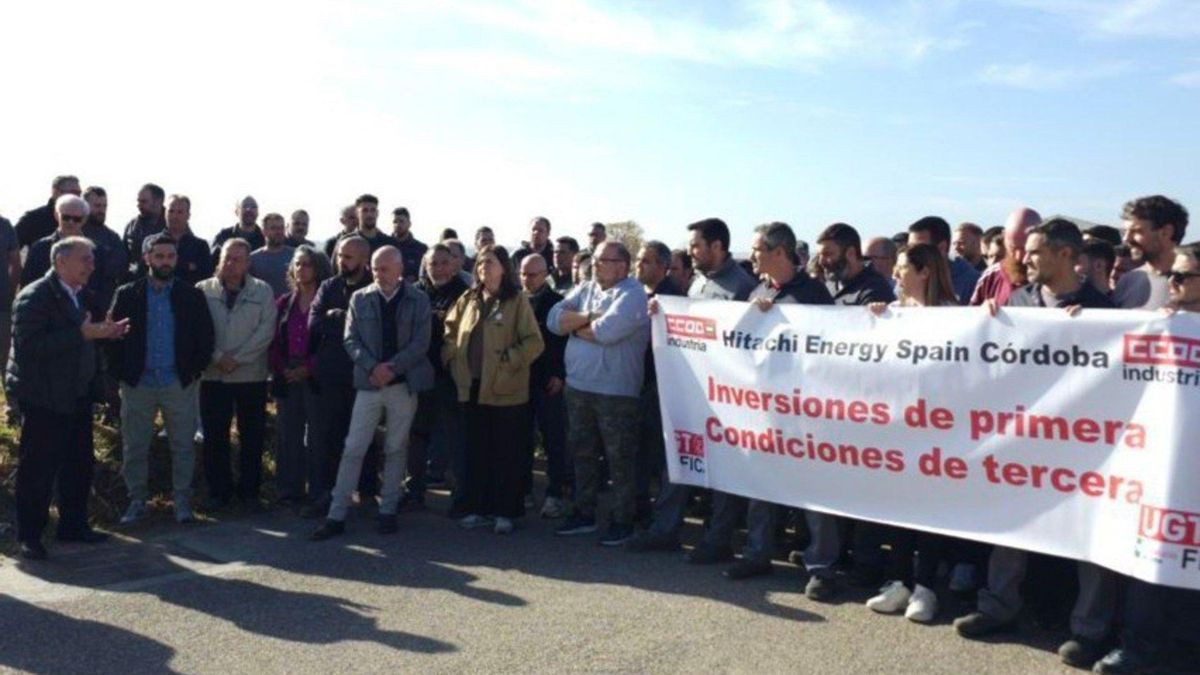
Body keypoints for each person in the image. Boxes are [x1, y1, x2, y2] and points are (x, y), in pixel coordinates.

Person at [954, 219, 1117, 670]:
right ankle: (998, 606)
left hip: (1083, 445)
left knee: (1090, 533)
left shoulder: (1102, 310)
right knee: (1010, 520)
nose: (1024, 259)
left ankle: (1089, 630)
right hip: (1022, 440)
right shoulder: (1016, 303)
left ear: (1067, 255)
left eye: (1036, 251)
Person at [1095, 238, 1200, 674]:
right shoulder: (1157, 326)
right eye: (1170, 274)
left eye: (1182, 276)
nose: (1170, 282)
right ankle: (1137, 646)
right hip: (1161, 466)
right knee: (1153, 554)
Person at [626, 219, 755, 558]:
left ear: (717, 247)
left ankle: (718, 538)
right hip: (692, 390)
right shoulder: (696, 284)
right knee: (681, 459)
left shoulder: (742, 287)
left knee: (724, 470)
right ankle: (665, 529)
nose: (692, 252)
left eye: (697, 246)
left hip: (726, 396)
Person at [726, 223, 837, 588]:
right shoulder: (758, 290)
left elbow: (834, 348)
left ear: (778, 251)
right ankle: (758, 553)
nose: (752, 254)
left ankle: (821, 567)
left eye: (758, 249)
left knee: (815, 491)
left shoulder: (813, 293)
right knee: (761, 482)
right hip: (764, 406)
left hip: (807, 411)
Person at [9, 230, 130, 560]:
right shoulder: (35, 297)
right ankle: (29, 536)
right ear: (60, 261)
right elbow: (30, 348)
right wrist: (81, 333)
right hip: (45, 398)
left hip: (77, 395)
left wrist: (107, 333)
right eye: (85, 259)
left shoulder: (82, 295)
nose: (92, 265)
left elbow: (85, 339)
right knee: (38, 470)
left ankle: (73, 525)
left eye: (92, 259)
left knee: (79, 465)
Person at [862, 243, 957, 622]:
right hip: (899, 427)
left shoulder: (955, 316)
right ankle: (898, 581)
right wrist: (875, 319)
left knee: (929, 511)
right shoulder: (895, 314)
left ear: (925, 272)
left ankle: (926, 588)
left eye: (903, 268)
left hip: (938, 429)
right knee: (899, 506)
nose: (896, 274)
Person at [311, 246, 434, 539]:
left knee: (395, 448)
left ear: (399, 269)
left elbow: (421, 342)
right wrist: (372, 367)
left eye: (385, 269)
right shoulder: (360, 298)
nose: (379, 274)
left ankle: (388, 510)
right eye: (376, 268)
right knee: (353, 447)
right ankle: (336, 514)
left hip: (402, 384)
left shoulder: (418, 300)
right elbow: (350, 339)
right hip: (368, 383)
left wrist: (392, 367)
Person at [108, 232, 214, 525]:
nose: (165, 262)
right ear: (147, 258)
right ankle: (137, 500)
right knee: (135, 446)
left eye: (170, 256)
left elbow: (205, 338)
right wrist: (122, 374)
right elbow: (112, 338)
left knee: (182, 445)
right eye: (159, 256)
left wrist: (193, 372)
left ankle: (182, 502)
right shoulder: (128, 294)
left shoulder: (191, 295)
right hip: (138, 382)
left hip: (177, 382)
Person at [549, 240, 647, 546]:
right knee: (582, 453)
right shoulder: (587, 288)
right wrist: (590, 316)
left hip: (616, 392)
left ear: (622, 265)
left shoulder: (633, 294)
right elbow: (553, 321)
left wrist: (576, 324)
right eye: (595, 260)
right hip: (579, 386)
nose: (595, 265)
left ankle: (623, 520)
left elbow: (607, 333)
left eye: (603, 260)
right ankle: (584, 512)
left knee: (620, 459)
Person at [442, 245, 542, 535]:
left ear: (504, 268)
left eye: (491, 261)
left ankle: (506, 512)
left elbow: (534, 342)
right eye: (481, 262)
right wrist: (451, 356)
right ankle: (477, 509)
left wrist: (508, 360)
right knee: (476, 451)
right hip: (470, 387)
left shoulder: (517, 301)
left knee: (505, 453)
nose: (484, 266)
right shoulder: (468, 298)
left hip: (505, 390)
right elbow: (449, 331)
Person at [301, 236, 380, 518]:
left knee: (365, 438)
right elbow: (314, 323)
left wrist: (340, 319)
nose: (340, 261)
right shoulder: (329, 286)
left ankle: (368, 492)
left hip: (363, 376)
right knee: (329, 436)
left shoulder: (374, 288)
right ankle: (328, 493)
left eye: (348, 257)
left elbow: (374, 330)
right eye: (338, 255)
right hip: (331, 375)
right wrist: (344, 321)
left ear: (363, 259)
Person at [197, 239, 277, 510]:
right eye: (227, 258)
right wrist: (218, 357)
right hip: (213, 376)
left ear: (248, 263)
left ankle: (250, 493)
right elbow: (196, 333)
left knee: (252, 437)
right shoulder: (202, 290)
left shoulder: (262, 291)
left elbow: (266, 331)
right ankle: (219, 493)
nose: (231, 264)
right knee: (215, 437)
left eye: (238, 259)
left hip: (250, 376)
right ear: (219, 259)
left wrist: (238, 359)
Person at [406, 243, 469, 509]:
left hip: (451, 375)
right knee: (417, 435)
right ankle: (414, 490)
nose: (439, 269)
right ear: (425, 265)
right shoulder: (414, 293)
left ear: (454, 265)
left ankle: (461, 496)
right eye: (433, 264)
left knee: (456, 437)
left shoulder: (465, 294)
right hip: (420, 373)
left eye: (444, 263)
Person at [269, 246, 330, 506]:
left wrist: (309, 368)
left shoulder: (328, 302)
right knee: (288, 435)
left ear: (317, 268)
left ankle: (319, 491)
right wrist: (283, 368)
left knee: (318, 436)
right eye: (297, 264)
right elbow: (273, 341)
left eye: (306, 264)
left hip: (316, 375)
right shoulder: (284, 302)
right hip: (287, 373)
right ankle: (289, 491)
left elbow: (331, 344)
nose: (301, 269)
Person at [630, 240, 683, 525]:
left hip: (663, 387)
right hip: (642, 383)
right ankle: (641, 510)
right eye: (639, 259)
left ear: (663, 267)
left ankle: (664, 522)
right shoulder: (638, 294)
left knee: (661, 457)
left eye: (647, 261)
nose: (640, 265)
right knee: (641, 451)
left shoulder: (673, 298)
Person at [518, 254, 570, 518]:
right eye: (524, 274)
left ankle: (555, 494)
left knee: (553, 440)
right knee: (521, 439)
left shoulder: (557, 304)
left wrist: (560, 375)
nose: (528, 279)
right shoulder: (514, 301)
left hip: (548, 381)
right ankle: (524, 489)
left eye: (534, 274)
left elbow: (564, 344)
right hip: (519, 381)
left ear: (545, 274)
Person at [1113, 195, 1188, 310]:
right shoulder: (1128, 281)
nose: (1126, 239)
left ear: (1166, 232)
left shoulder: (1193, 284)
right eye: (1125, 232)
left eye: (1136, 231)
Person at [969, 207, 1041, 306]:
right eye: (1013, 248)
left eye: (1025, 248)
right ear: (1004, 238)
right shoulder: (991, 277)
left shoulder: (1056, 277)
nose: (1019, 257)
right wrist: (983, 311)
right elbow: (972, 316)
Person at [817, 222, 896, 306]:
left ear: (851, 253)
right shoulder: (829, 286)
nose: (821, 261)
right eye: (819, 255)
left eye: (828, 254)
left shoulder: (875, 290)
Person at [908, 216, 978, 304]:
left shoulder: (971, 282)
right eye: (909, 247)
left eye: (919, 248)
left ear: (942, 248)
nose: (910, 253)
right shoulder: (907, 276)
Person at [81, 186, 129, 314]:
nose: (101, 210)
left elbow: (119, 268)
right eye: (97, 206)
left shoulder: (112, 238)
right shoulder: (73, 233)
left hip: (102, 308)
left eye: (104, 206)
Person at [16, 174, 80, 249]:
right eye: (73, 192)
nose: (77, 197)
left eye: (79, 193)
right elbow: (10, 249)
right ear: (56, 192)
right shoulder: (33, 219)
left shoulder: (82, 220)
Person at [163, 195, 214, 287]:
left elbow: (205, 278)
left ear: (188, 215)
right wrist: (187, 266)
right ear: (165, 213)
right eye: (171, 211)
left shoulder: (200, 246)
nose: (175, 216)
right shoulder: (152, 243)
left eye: (180, 212)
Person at [0, 209, 20, 426]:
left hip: (2, 305)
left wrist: (10, 291)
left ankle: (13, 408)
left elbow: (15, 263)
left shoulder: (4, 225)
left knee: (5, 359)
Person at [123, 183, 167, 276]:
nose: (139, 205)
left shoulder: (173, 225)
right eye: (138, 201)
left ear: (158, 201)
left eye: (144, 202)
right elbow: (123, 257)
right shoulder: (132, 227)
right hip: (137, 281)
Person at [249, 213, 296, 298]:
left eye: (281, 228)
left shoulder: (295, 256)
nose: (278, 232)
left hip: (288, 308)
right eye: (273, 228)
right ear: (264, 231)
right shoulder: (253, 259)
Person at [211, 196, 265, 265]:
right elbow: (211, 263)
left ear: (258, 212)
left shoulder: (265, 238)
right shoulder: (224, 236)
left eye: (253, 206)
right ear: (236, 212)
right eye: (244, 206)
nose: (249, 209)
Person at [391, 207, 427, 282]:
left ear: (409, 224)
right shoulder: (384, 246)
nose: (398, 225)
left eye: (401, 221)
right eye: (395, 222)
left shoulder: (421, 249)